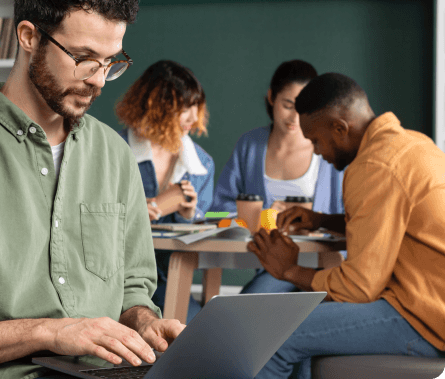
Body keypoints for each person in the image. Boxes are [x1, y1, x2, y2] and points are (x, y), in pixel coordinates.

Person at [0, 0, 184, 379]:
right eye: (83, 58)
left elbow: (133, 288)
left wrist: (144, 322)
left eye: (110, 62)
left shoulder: (114, 156)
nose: (98, 79)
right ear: (28, 36)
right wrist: (50, 332)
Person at [248, 72, 445, 379]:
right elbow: (392, 222)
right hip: (433, 304)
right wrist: (322, 220)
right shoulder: (412, 144)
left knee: (272, 335)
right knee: (298, 332)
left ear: (339, 128)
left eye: (315, 140)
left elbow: (358, 288)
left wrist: (289, 270)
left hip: (425, 318)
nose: (315, 151)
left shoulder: (374, 166)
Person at [211, 60, 344, 294]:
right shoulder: (249, 146)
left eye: (303, 107)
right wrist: (264, 217)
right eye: (287, 105)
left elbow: (348, 217)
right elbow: (216, 212)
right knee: (248, 308)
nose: (294, 117)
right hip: (270, 267)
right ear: (271, 97)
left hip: (327, 268)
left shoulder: (329, 150)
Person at [116, 60, 214, 322]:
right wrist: (130, 215)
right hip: (116, 281)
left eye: (196, 107)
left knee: (192, 335)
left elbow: (203, 237)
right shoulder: (114, 150)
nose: (193, 118)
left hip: (171, 282)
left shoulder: (201, 164)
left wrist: (189, 214)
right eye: (184, 108)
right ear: (155, 106)